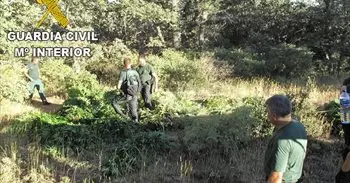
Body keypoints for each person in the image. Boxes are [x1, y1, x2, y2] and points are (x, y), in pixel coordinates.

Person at [264, 95, 308, 183]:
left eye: (268, 112)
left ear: (274, 116)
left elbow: (276, 177)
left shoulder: (282, 141)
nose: (267, 115)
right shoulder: (299, 126)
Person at [112, 57, 141, 122]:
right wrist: (138, 91)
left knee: (114, 103)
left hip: (127, 94)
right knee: (134, 110)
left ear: (124, 64)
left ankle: (125, 117)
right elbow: (139, 82)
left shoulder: (123, 73)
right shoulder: (135, 72)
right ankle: (136, 124)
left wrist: (118, 89)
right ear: (130, 63)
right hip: (135, 93)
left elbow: (119, 84)